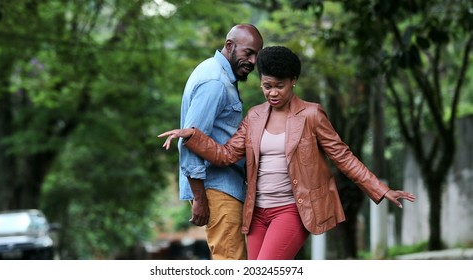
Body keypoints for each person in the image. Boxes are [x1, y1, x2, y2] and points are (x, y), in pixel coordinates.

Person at [159, 46, 416, 260]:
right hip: (257, 213)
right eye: (266, 86)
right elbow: (226, 155)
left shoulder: (312, 115)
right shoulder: (255, 116)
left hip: (291, 210)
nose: (272, 92)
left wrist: (380, 189)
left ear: (294, 81)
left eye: (279, 86)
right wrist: (194, 136)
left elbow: (343, 156)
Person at [174, 24, 263, 260]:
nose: (253, 61)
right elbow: (190, 139)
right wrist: (200, 199)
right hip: (217, 189)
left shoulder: (218, 75)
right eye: (249, 53)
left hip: (224, 187)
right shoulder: (215, 81)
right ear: (230, 46)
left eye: (256, 55)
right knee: (230, 262)